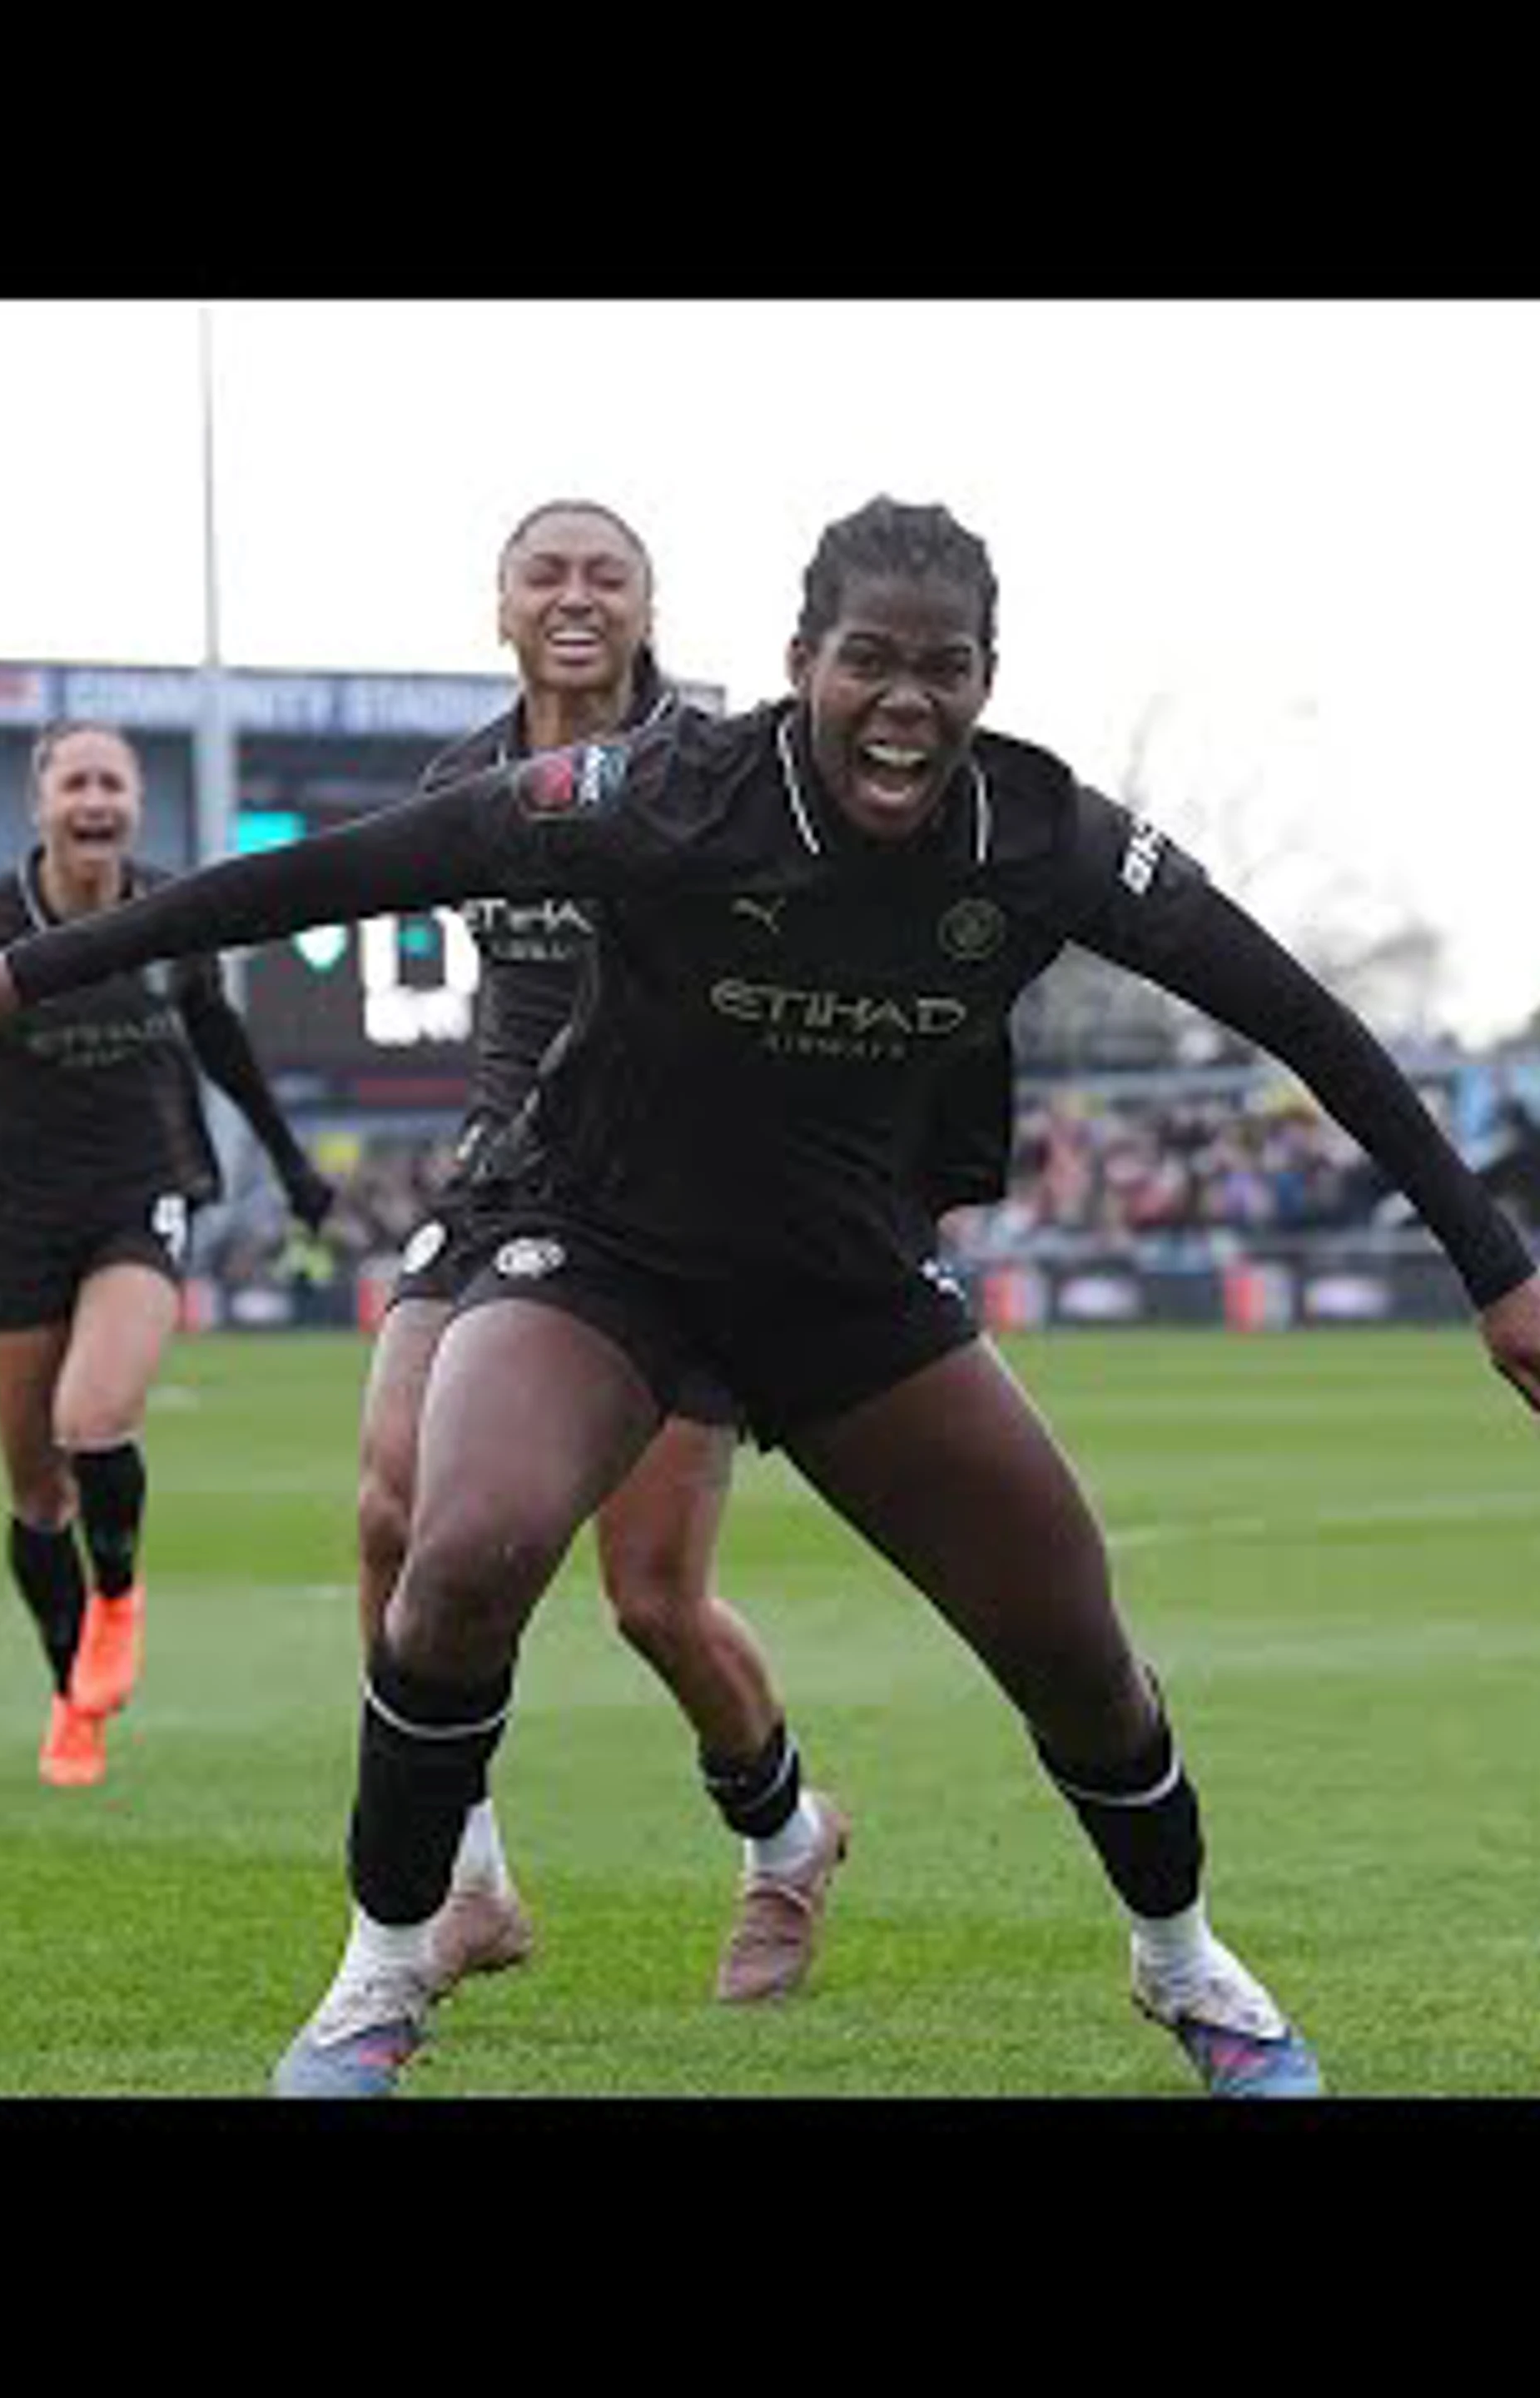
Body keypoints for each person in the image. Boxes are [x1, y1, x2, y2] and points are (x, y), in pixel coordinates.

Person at [0, 495, 1540, 2100]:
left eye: (945, 668)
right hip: (601, 1242)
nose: (905, 705)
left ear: (989, 681)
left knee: (1070, 1642)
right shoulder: (667, 791)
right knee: (459, 1548)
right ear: (801, 668)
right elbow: (347, 871)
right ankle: (385, 1967)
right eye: (870, 663)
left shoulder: (1050, 838)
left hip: (844, 1279)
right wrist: (22, 975)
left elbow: (1301, 1015)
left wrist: (1496, 1263)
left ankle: (1184, 1964)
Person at [374, 496, 1012, 2005]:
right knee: (398, 1510)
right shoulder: (466, 780)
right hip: (507, 1186)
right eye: (548, 572)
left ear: (652, 609)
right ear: (501, 605)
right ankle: (463, 1884)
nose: (576, 596)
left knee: (650, 1593)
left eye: (609, 575)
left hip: (691, 1206)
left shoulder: (724, 776)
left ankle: (786, 1836)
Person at [0, 719, 335, 1786]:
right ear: (40, 804)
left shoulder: (167, 911)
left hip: (143, 1192)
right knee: (35, 1492)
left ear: (136, 803)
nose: (96, 800)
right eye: (76, 783)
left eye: (114, 783)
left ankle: (120, 1600)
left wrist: (290, 1166)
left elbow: (219, 1038)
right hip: (12, 1210)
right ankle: (71, 1695)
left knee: (93, 1419)